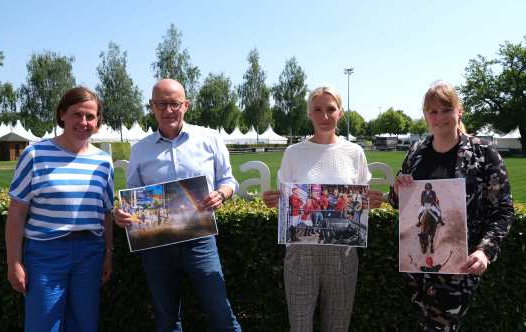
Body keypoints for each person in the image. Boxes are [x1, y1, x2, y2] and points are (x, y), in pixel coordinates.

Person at [113, 79, 241, 332]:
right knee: (167, 318)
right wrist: (122, 213)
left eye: (174, 103)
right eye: (161, 104)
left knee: (220, 311)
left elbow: (229, 180)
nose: (168, 110)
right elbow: (133, 197)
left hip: (200, 240)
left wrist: (222, 194)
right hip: (156, 244)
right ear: (151, 106)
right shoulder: (140, 149)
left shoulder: (209, 139)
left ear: (186, 105)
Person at [389, 81, 514, 331]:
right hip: (416, 268)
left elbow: (503, 210)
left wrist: (484, 251)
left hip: (459, 267)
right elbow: (400, 205)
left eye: (446, 109)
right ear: (425, 116)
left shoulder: (483, 153)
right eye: (432, 112)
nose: (439, 117)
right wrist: (396, 191)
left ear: (460, 111)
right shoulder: (416, 153)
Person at [263, 86, 383, 331]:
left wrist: (371, 202)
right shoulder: (293, 153)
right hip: (301, 251)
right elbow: (288, 205)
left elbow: (360, 204)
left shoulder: (355, 152)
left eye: (331, 109)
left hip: (343, 253)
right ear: (309, 113)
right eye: (317, 109)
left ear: (340, 113)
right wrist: (277, 201)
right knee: (300, 325)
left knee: (338, 325)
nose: (325, 116)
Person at [5, 86, 114, 331]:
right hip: (45, 255)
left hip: (90, 254)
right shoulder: (35, 154)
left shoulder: (103, 161)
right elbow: (16, 213)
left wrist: (109, 253)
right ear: (62, 114)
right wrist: (14, 261)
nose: (83, 122)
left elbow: (105, 213)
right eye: (77, 114)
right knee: (42, 326)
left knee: (84, 325)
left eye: (90, 116)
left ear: (97, 121)